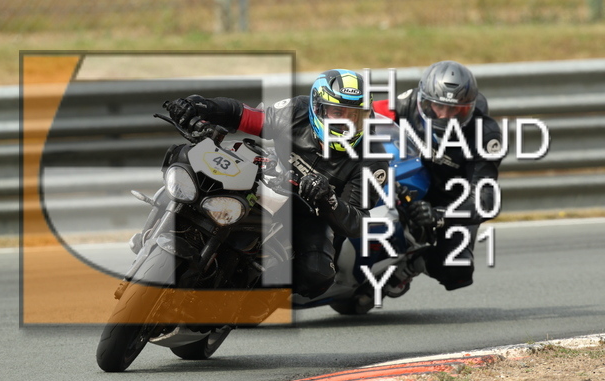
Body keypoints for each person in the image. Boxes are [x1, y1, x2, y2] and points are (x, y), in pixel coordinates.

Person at [164, 69, 389, 298]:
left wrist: (328, 198)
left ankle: (248, 295)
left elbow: (357, 222)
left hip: (312, 212)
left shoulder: (373, 159)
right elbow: (243, 114)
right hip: (266, 178)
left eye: (355, 115)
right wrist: (199, 106)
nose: (346, 123)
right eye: (338, 112)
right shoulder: (297, 111)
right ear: (317, 108)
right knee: (188, 160)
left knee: (317, 274)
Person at [373, 60, 503, 295]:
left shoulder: (486, 134)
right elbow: (359, 118)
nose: (445, 116)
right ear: (423, 100)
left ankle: (410, 266)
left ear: (469, 108)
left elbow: (485, 198)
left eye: (457, 110)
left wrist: (442, 216)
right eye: (437, 106)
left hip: (451, 201)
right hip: (405, 181)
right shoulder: (403, 105)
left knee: (457, 270)